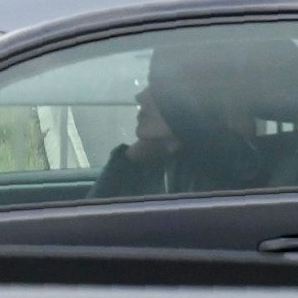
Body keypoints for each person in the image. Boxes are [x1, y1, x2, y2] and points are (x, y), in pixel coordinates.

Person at [92, 47, 265, 199]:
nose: (140, 96)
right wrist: (133, 158)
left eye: (159, 89)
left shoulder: (226, 179)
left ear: (191, 103)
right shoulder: (177, 163)